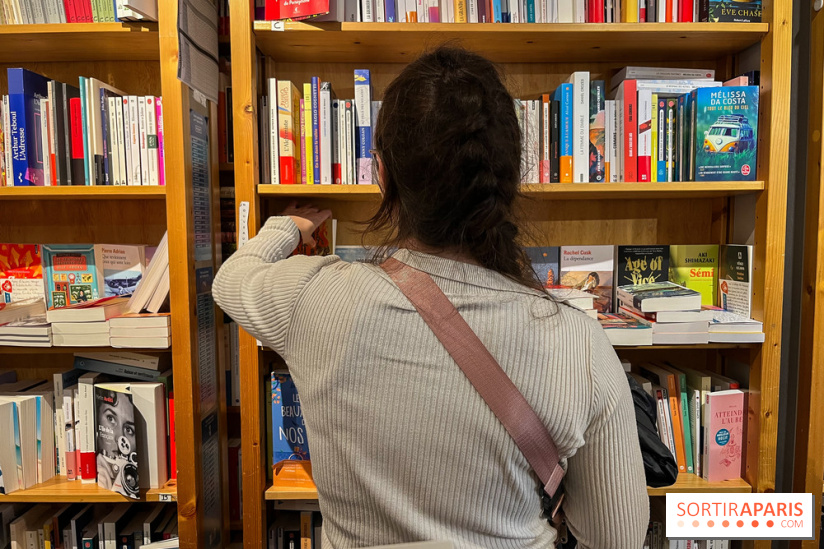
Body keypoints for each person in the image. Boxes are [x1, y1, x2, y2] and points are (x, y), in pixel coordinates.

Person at [212, 46, 648, 549]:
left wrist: (289, 225)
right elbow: (618, 538)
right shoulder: (578, 343)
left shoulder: (313, 298)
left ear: (382, 174)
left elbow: (232, 277)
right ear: (510, 180)